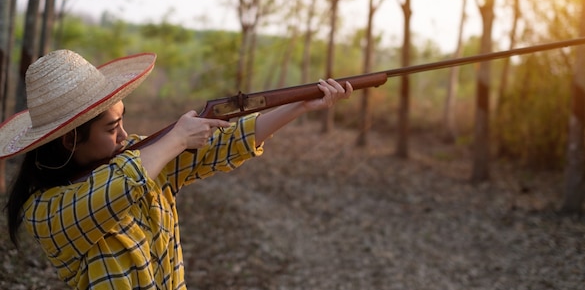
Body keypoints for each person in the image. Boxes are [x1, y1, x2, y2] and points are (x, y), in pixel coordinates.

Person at [0, 49, 352, 289]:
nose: (124, 135)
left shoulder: (141, 159)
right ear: (69, 141)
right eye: (111, 129)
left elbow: (225, 143)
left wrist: (299, 106)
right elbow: (118, 186)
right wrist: (176, 138)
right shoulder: (44, 213)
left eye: (122, 121)